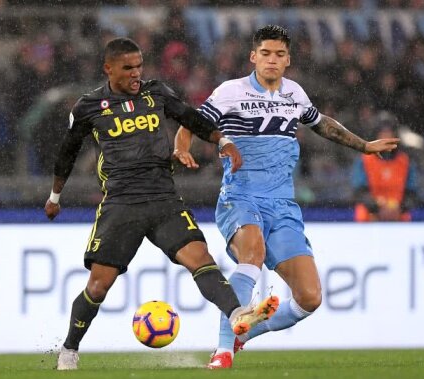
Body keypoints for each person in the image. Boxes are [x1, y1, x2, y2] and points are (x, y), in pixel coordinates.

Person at [44, 37, 279, 371]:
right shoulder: (88, 106)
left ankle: (238, 313)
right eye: (128, 68)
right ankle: (69, 349)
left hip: (163, 198)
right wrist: (55, 196)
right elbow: (67, 153)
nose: (136, 73)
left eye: (139, 66)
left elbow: (190, 118)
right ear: (108, 69)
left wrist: (223, 140)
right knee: (98, 287)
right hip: (121, 204)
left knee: (200, 258)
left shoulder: (156, 93)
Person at [174, 25, 399, 369]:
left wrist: (365, 146)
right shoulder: (230, 92)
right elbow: (191, 121)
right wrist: (181, 147)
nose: (272, 60)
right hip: (242, 196)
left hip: (283, 204)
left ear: (288, 60)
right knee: (252, 254)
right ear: (253, 57)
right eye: (265, 53)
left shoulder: (294, 93)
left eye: (279, 55)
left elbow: (322, 124)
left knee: (309, 298)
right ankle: (222, 350)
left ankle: (242, 335)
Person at [352, 111, 419, 222]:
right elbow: (359, 191)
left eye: (389, 133)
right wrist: (377, 208)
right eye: (382, 133)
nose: (386, 137)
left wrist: (400, 208)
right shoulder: (364, 160)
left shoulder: (405, 161)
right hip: (371, 214)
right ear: (376, 135)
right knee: (361, 212)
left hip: (398, 214)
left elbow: (412, 193)